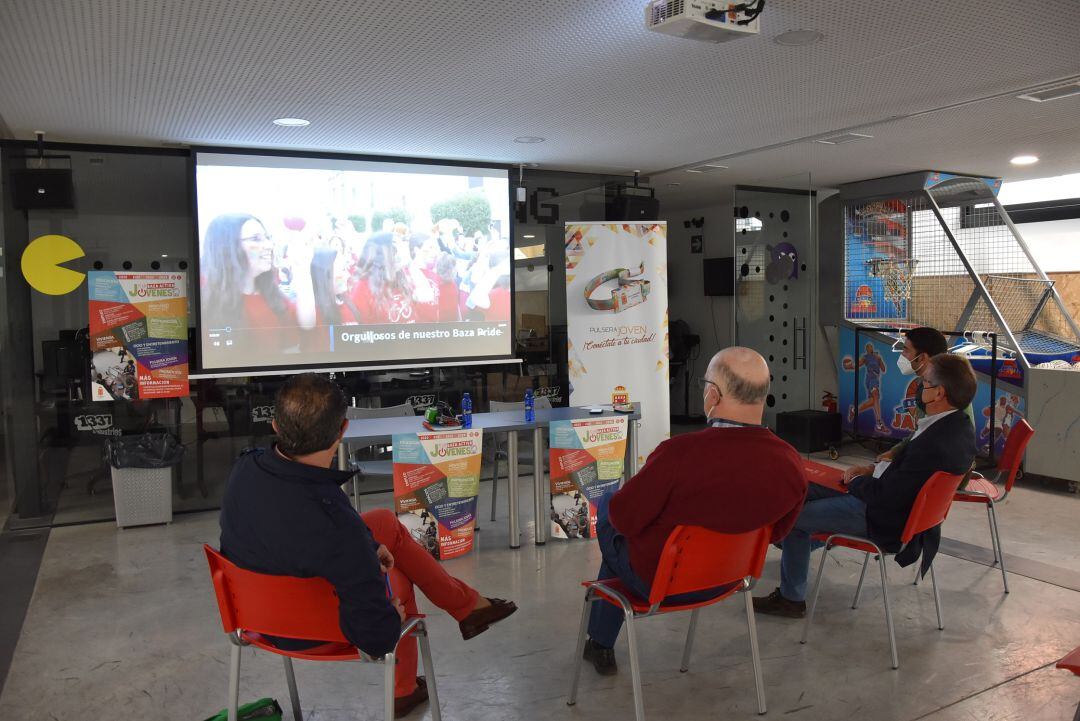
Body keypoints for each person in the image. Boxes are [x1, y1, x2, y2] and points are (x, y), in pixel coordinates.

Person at [219, 374, 517, 718]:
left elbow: (303, 530)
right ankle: (406, 686)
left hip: (253, 616)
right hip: (307, 630)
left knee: (383, 523)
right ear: (343, 430)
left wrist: (368, 544)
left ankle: (467, 607)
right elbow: (376, 638)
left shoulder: (245, 467)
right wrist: (394, 614)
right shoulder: (337, 526)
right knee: (400, 581)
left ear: (274, 425)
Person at [580, 347, 808, 675]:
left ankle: (599, 643)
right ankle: (600, 641)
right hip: (730, 580)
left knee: (609, 508)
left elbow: (625, 519)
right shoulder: (791, 462)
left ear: (713, 394)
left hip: (659, 584)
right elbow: (779, 533)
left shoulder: (677, 454)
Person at [754, 353, 978, 619]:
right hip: (896, 509)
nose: (919, 385)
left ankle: (791, 598)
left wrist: (858, 481)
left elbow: (886, 496)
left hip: (882, 519)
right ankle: (796, 543)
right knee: (805, 489)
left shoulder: (934, 444)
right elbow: (903, 479)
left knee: (796, 518)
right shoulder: (958, 427)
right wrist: (870, 471)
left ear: (939, 393)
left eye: (925, 382)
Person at [200, 213, 315, 350]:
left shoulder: (271, 294)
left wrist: (303, 271)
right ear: (227, 247)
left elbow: (306, 324)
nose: (269, 245)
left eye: (267, 238)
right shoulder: (206, 301)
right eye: (256, 239)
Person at [876, 327, 975, 463]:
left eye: (906, 350)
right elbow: (921, 430)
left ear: (922, 357)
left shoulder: (946, 389)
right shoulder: (934, 383)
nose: (902, 355)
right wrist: (895, 452)